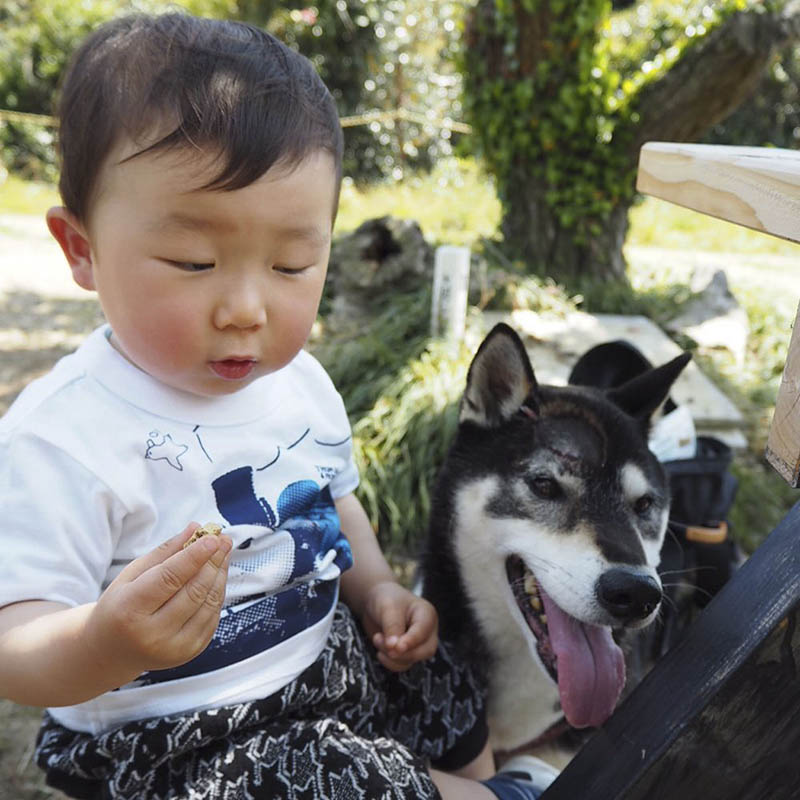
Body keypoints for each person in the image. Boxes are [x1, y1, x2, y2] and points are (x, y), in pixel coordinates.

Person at [0, 13, 559, 800]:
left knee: (438, 683)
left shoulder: (298, 385)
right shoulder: (62, 437)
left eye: (293, 264)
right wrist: (103, 641)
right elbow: (15, 643)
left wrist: (377, 593)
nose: (246, 309)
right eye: (194, 261)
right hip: (181, 737)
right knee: (337, 782)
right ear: (81, 249)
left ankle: (484, 777)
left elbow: (334, 499)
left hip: (315, 660)